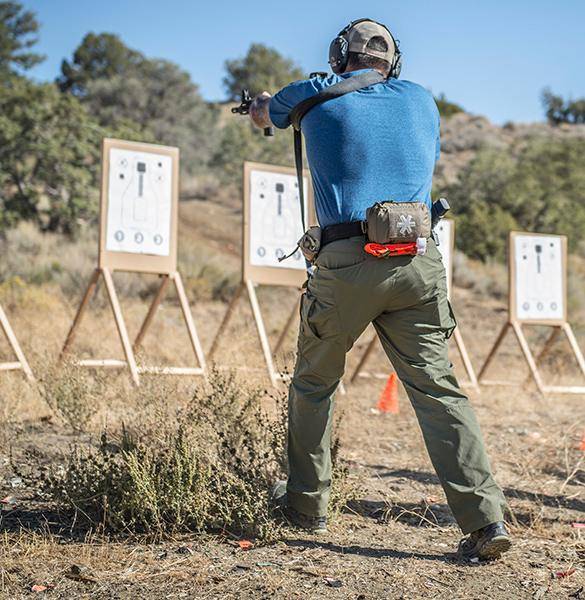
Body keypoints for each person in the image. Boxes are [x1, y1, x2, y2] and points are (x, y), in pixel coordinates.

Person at [248, 18, 511, 561]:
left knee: (314, 384)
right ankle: (486, 521)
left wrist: (259, 104)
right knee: (439, 390)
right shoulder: (422, 100)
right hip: (417, 256)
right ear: (394, 61)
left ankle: (305, 505)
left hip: (347, 261)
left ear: (340, 56)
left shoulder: (313, 94)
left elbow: (267, 115)